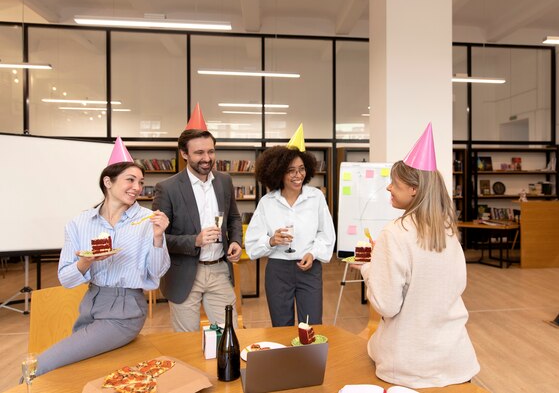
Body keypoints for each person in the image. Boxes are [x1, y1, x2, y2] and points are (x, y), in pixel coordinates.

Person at [354, 123, 480, 388]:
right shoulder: (447, 231)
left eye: (394, 183)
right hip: (455, 360)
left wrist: (369, 268)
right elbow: (455, 286)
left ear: (413, 189)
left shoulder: (395, 233)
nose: (388, 188)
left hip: (408, 364)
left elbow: (386, 305)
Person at [35, 138, 170, 376]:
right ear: (108, 182)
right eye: (130, 180)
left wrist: (158, 238)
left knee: (43, 365)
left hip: (125, 311)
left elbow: (156, 273)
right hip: (90, 305)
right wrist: (85, 262)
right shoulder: (80, 223)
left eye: (140, 182)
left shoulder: (148, 221)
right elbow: (66, 279)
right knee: (78, 372)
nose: (137, 188)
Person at [153, 128, 243, 331]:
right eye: (199, 153)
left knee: (229, 334)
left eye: (211, 152)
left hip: (219, 270)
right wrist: (195, 240)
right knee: (187, 343)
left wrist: (236, 241)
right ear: (184, 154)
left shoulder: (224, 181)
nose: (207, 158)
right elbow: (159, 237)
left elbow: (234, 218)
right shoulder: (167, 188)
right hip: (183, 274)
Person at [245, 125, 335, 327]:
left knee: (311, 326)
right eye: (291, 170)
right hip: (278, 271)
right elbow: (251, 244)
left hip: (309, 269)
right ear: (278, 173)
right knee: (281, 327)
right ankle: (284, 359)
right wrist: (271, 240)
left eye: (302, 169)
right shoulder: (267, 202)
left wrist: (313, 253)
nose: (298, 175)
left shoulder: (316, 197)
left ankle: (310, 359)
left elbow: (326, 233)